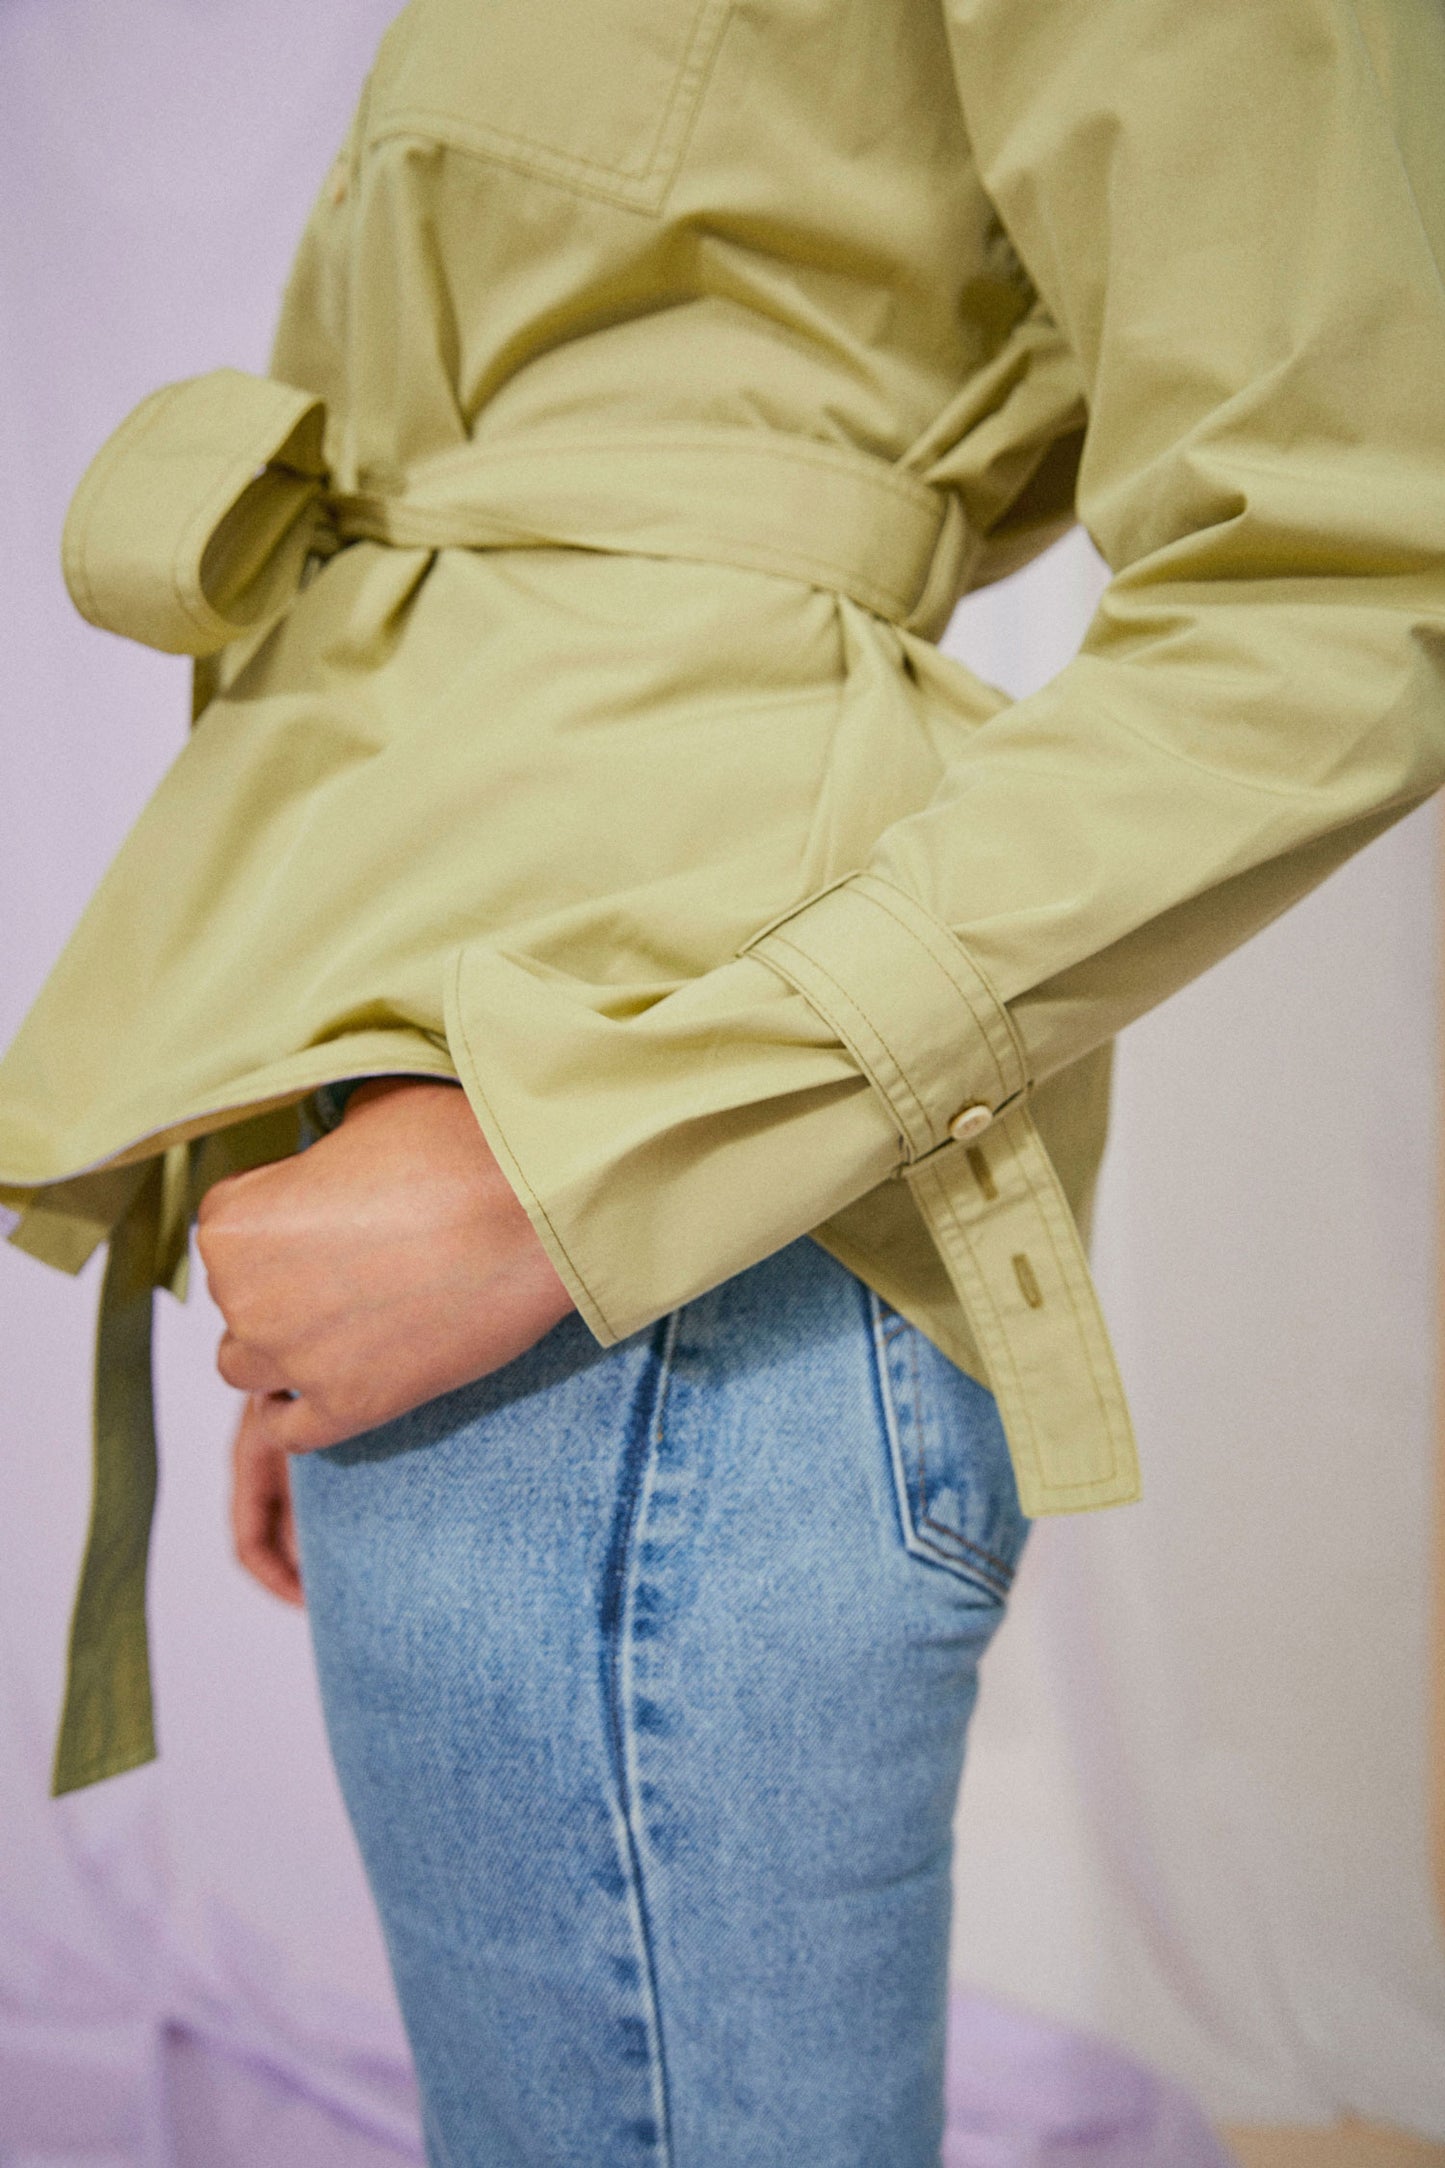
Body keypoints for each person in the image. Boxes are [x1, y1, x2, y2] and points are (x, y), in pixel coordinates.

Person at [4, 0, 1445, 2160]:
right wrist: (318, 1134)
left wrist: (573, 1170)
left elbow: (1357, 560)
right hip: (491, 1191)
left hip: (663, 1230)